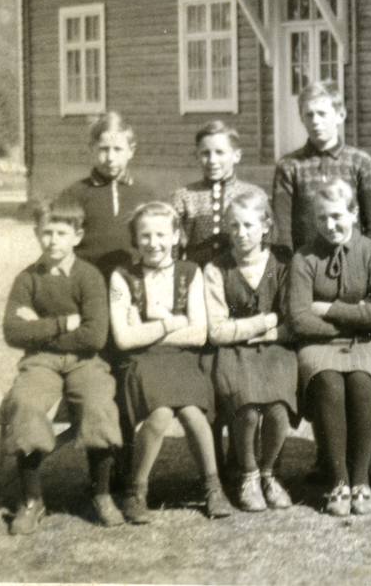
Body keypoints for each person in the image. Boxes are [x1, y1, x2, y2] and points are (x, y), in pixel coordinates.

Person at [0, 199, 124, 534]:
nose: (53, 240)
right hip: (40, 362)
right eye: (46, 233)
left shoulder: (89, 276)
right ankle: (31, 499)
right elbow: (12, 332)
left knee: (98, 405)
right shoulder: (28, 279)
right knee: (25, 404)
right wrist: (64, 323)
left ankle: (102, 494)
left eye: (61, 233)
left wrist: (38, 330)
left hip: (86, 361)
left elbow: (95, 337)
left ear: (77, 235)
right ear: (36, 234)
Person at [108, 202, 233, 522]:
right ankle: (136, 491)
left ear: (176, 236)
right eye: (145, 235)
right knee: (161, 413)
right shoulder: (122, 277)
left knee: (192, 412)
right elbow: (124, 339)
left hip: (182, 358)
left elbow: (199, 333)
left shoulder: (190, 272)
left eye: (162, 234)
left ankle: (212, 486)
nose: (153, 242)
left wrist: (146, 329)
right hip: (141, 362)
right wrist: (170, 323)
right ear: (135, 239)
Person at [286, 180, 371, 516]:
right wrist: (355, 315)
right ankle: (338, 482)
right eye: (321, 218)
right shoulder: (304, 257)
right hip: (318, 346)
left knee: (361, 382)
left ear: (354, 212)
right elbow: (300, 319)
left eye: (336, 215)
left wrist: (328, 308)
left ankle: (361, 480)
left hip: (363, 344)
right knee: (328, 383)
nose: (329, 225)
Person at [202, 192, 298, 512]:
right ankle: (248, 474)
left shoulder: (282, 264)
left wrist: (266, 329)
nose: (240, 233)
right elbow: (217, 331)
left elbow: (290, 323)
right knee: (247, 407)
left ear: (266, 225)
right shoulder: (217, 268)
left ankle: (269, 473)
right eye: (233, 226)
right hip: (232, 353)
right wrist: (266, 321)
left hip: (277, 350)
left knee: (277, 410)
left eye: (248, 225)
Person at [272, 80, 371, 256]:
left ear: (340, 115)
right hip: (306, 265)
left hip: (352, 264)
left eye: (322, 113)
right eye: (309, 115)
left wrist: (369, 264)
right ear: (301, 118)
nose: (316, 121)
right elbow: (282, 229)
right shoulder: (289, 165)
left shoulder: (361, 162)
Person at [58, 112, 158, 278]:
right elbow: (61, 243)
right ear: (92, 149)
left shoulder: (146, 195)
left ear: (131, 151)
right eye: (104, 149)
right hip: (87, 282)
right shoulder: (74, 194)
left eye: (118, 149)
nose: (111, 158)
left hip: (133, 281)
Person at [172, 121, 269, 266]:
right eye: (205, 153)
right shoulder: (183, 196)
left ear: (236, 156)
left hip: (240, 274)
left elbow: (267, 243)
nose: (212, 160)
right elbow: (173, 247)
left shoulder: (255, 195)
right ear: (196, 155)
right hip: (198, 275)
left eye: (220, 152)